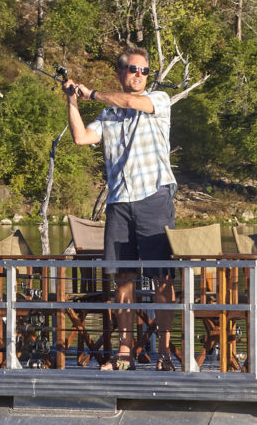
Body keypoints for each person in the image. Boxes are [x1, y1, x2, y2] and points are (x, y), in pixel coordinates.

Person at [64, 47, 176, 371]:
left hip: (154, 198)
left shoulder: (159, 100)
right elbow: (81, 137)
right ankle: (124, 352)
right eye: (133, 69)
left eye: (144, 70)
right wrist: (73, 101)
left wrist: (93, 92)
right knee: (123, 280)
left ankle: (165, 353)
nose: (139, 75)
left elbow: (129, 102)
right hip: (119, 202)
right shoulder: (108, 115)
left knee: (161, 279)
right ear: (120, 72)